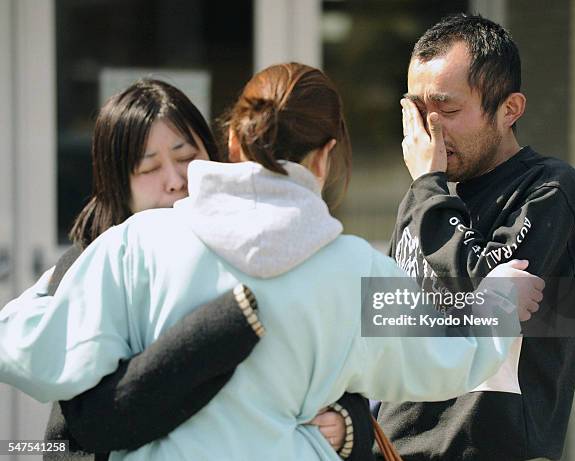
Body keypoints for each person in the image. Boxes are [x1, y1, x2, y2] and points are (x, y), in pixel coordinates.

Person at [0, 62, 542, 460]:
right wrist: (496, 302)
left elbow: (31, 350)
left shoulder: (137, 244)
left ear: (233, 141)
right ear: (327, 155)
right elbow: (448, 360)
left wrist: (40, 295)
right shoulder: (352, 269)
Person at [1, 79, 363, 460]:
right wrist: (225, 326)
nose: (174, 181)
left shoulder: (263, 248)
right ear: (116, 182)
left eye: (186, 157)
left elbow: (347, 375)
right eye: (149, 167)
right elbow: (92, 421)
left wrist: (343, 425)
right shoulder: (90, 264)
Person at [378, 14, 575, 461]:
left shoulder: (549, 189)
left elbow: (488, 303)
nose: (430, 130)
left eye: (447, 110)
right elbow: (388, 334)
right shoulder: (424, 198)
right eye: (417, 110)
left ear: (509, 109)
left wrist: (427, 188)